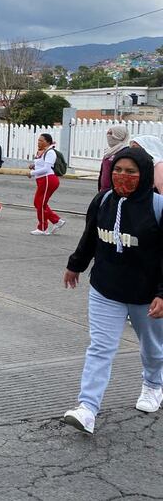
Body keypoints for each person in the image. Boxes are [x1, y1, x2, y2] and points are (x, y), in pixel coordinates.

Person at [62, 148, 163, 434]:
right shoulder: (104, 200)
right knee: (100, 348)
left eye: (131, 172)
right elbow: (90, 237)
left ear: (143, 176)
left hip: (146, 295)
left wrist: (162, 293)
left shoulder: (158, 207)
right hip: (106, 288)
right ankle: (87, 408)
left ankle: (154, 385)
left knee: (153, 349)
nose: (123, 177)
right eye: (118, 170)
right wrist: (76, 266)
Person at [28, 133, 65, 236]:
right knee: (38, 203)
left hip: (48, 180)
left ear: (47, 142)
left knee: (40, 204)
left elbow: (46, 168)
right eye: (38, 140)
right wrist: (34, 165)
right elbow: (41, 165)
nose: (39, 142)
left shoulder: (50, 152)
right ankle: (57, 221)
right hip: (42, 180)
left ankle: (42, 228)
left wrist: (31, 173)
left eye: (41, 141)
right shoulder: (42, 152)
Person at [98, 125, 129, 192]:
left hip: (114, 191)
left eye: (111, 134)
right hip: (103, 190)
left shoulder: (125, 152)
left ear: (119, 135)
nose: (108, 136)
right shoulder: (109, 152)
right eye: (108, 133)